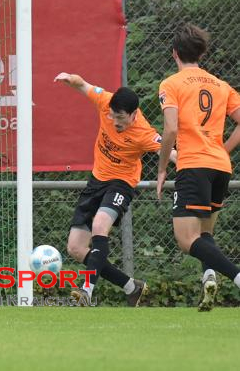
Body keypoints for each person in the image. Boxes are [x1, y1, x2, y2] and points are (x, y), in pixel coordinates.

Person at [54, 72, 176, 306]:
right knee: (76, 248)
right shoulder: (105, 102)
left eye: (120, 117)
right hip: (96, 181)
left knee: (100, 225)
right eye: (113, 115)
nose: (115, 121)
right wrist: (69, 78)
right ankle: (132, 287)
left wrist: (196, 170)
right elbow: (83, 84)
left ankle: (86, 290)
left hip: (121, 184)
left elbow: (171, 153)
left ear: (133, 114)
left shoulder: (144, 133)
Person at [157, 23, 240, 311]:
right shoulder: (221, 85)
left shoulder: (171, 84)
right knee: (204, 234)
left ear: (175, 53)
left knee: (185, 239)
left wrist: (161, 169)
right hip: (220, 167)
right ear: (201, 54)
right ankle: (208, 277)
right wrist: (221, 150)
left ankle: (237, 277)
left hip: (193, 166)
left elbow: (169, 130)